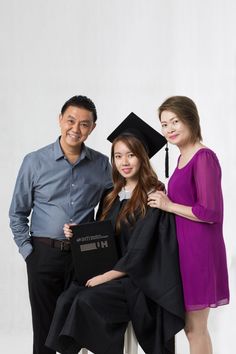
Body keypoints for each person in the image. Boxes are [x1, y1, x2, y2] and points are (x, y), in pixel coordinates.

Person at [45, 112, 185, 354]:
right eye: (118, 156)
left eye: (131, 155)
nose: (125, 162)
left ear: (142, 157)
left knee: (86, 300)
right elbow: (104, 235)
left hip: (138, 280)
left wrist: (105, 277)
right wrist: (80, 234)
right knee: (66, 298)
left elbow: (141, 251)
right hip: (109, 273)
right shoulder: (111, 195)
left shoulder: (153, 196)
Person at [9, 95, 113, 354]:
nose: (76, 129)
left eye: (84, 124)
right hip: (43, 254)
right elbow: (17, 213)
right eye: (71, 121)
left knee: (75, 328)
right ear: (60, 120)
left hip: (84, 257)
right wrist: (28, 252)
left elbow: (109, 213)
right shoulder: (34, 161)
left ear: (93, 128)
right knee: (44, 330)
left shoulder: (101, 164)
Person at [148, 96, 230, 354]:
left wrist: (168, 205)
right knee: (191, 328)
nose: (169, 129)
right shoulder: (182, 157)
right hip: (184, 250)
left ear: (191, 120)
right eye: (164, 124)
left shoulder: (203, 157)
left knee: (196, 329)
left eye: (175, 121)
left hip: (199, 251)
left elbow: (209, 211)